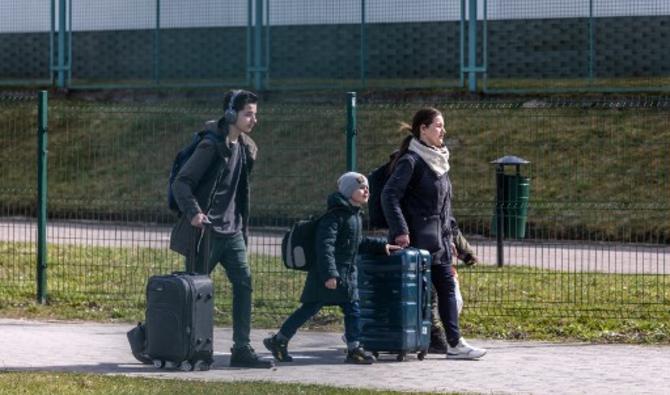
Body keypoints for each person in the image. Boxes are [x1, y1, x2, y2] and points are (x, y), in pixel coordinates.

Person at [169, 89, 273, 369]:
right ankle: (175, 344)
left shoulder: (246, 147)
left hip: (234, 231)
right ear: (231, 115)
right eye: (248, 114)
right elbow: (182, 183)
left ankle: (242, 348)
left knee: (244, 286)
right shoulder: (210, 146)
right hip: (207, 232)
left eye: (255, 114)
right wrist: (194, 214)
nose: (254, 119)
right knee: (193, 293)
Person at [381, 107, 486, 360]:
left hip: (439, 242)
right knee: (416, 294)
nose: (443, 131)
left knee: (447, 288)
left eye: (443, 125)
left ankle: (454, 343)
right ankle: (388, 334)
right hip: (415, 243)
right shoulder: (411, 161)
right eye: (438, 126)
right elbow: (389, 195)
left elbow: (444, 210)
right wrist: (400, 231)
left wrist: (456, 243)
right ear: (423, 129)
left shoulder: (440, 162)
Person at [264, 172, 400, 364]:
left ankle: (354, 348)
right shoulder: (334, 217)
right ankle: (279, 340)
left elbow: (355, 242)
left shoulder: (354, 216)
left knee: (352, 309)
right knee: (310, 309)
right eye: (361, 187)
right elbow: (324, 246)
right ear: (347, 192)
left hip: (346, 274)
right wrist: (330, 274)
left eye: (367, 187)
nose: (366, 191)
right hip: (328, 274)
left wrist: (381, 246)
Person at [429, 226, 481, 353]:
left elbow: (449, 224)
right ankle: (434, 334)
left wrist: (466, 253)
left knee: (442, 293)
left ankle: (444, 337)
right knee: (430, 295)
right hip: (428, 243)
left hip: (438, 246)